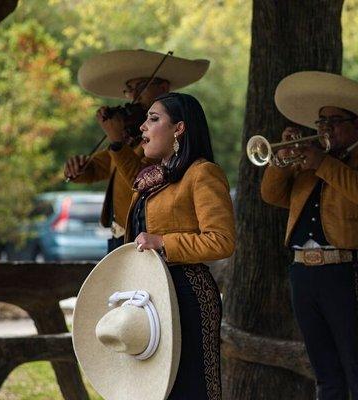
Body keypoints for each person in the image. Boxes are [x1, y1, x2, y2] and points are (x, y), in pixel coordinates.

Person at [260, 71, 358, 400]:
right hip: (303, 273)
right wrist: (281, 162)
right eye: (321, 121)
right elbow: (271, 195)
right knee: (324, 372)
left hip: (348, 271)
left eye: (334, 121)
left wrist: (324, 164)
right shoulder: (307, 164)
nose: (324, 128)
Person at [126, 92, 235, 399]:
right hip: (148, 294)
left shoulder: (202, 173)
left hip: (187, 293)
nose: (143, 127)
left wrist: (163, 243)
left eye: (153, 118)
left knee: (191, 389)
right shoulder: (150, 179)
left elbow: (222, 240)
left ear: (179, 128)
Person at [64, 50, 209, 252]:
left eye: (140, 87)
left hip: (144, 237)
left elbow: (143, 180)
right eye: (129, 90)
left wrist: (116, 142)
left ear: (163, 88)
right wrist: (78, 169)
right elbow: (102, 166)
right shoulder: (132, 136)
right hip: (120, 236)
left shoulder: (166, 139)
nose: (133, 96)